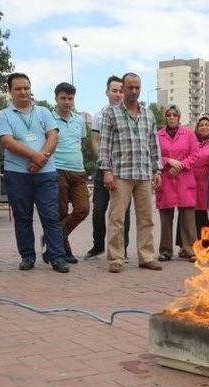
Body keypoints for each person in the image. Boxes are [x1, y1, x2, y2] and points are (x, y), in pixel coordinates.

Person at [0, 73, 69, 273]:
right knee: (22, 217)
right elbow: (6, 141)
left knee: (51, 217)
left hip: (45, 174)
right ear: (10, 91)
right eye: (18, 88)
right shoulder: (4, 115)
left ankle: (57, 257)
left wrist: (40, 159)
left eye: (26, 88)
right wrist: (34, 157)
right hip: (17, 174)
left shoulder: (43, 112)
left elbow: (53, 136)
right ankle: (27, 257)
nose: (23, 92)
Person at [99, 72, 162, 273]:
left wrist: (157, 170)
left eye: (137, 88)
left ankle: (146, 256)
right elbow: (104, 145)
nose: (134, 91)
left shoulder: (149, 114)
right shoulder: (111, 113)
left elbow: (154, 144)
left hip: (144, 174)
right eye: (130, 87)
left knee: (146, 218)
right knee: (117, 218)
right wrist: (106, 171)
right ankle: (116, 258)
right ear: (123, 89)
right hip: (121, 174)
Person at [86, 76, 130, 259]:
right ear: (107, 92)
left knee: (122, 211)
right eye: (114, 90)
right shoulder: (100, 114)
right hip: (104, 169)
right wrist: (105, 164)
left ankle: (122, 248)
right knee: (98, 209)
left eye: (121, 90)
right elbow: (94, 140)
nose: (118, 94)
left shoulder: (130, 113)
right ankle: (98, 245)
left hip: (124, 170)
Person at [51, 82, 89, 264]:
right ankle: (64, 250)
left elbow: (81, 143)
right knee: (61, 212)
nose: (67, 102)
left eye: (70, 98)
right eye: (63, 98)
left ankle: (52, 240)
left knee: (83, 209)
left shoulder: (79, 120)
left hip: (78, 171)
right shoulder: (48, 119)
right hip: (57, 170)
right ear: (56, 98)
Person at [156, 105, 199, 262]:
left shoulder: (188, 133)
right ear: (165, 117)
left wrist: (181, 165)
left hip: (184, 178)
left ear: (179, 117)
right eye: (169, 114)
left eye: (175, 114)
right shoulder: (158, 135)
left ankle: (190, 249)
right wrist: (168, 161)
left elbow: (195, 154)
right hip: (166, 179)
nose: (172, 117)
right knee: (166, 217)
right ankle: (165, 251)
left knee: (188, 217)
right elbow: (154, 156)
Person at [192, 116, 209, 237]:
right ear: (197, 128)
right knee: (198, 214)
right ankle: (199, 244)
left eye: (207, 125)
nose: (204, 127)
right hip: (194, 184)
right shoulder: (191, 143)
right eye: (201, 125)